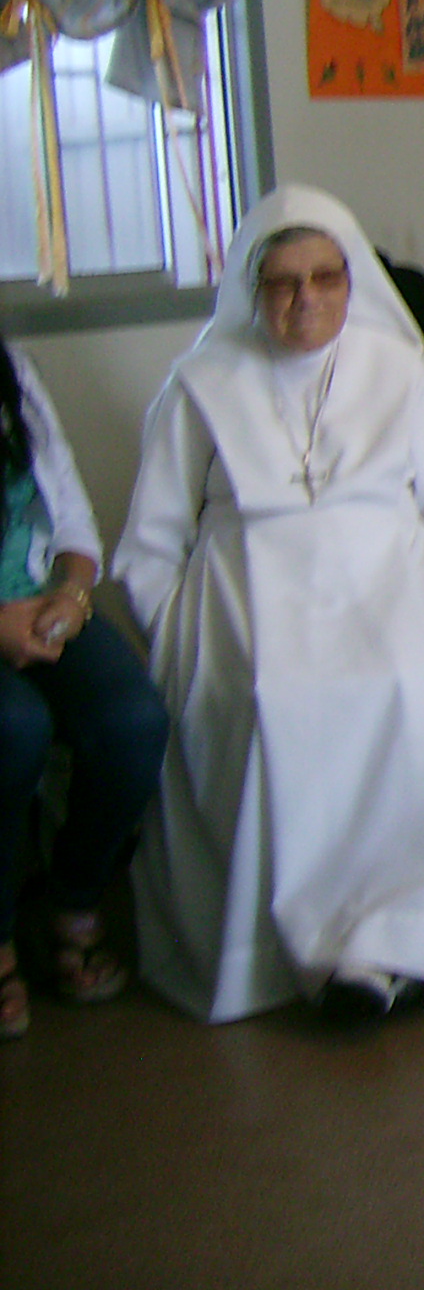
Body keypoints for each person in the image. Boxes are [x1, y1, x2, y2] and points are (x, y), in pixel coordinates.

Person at [120, 186, 424, 1022]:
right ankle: (298, 956)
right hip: (249, 597)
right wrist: (180, 634)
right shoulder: (200, 383)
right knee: (275, 698)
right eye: (283, 282)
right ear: (253, 289)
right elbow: (152, 540)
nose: (305, 299)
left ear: (352, 282)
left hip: (391, 582)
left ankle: (404, 941)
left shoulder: (396, 368)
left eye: (325, 279)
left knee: (413, 683)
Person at [0, 330, 168, 1039]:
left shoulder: (13, 369)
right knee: (16, 728)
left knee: (133, 721)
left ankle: (71, 899)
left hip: (37, 599)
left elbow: (67, 506)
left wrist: (71, 593)